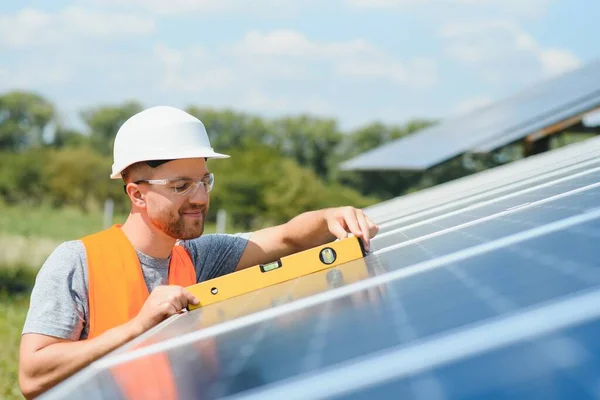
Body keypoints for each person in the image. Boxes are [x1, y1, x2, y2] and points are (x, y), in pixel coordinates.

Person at [18, 106, 379, 398]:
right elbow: (33, 377)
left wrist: (329, 216)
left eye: (204, 181)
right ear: (137, 194)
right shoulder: (78, 262)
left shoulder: (199, 257)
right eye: (181, 186)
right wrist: (138, 327)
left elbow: (287, 239)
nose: (201, 198)